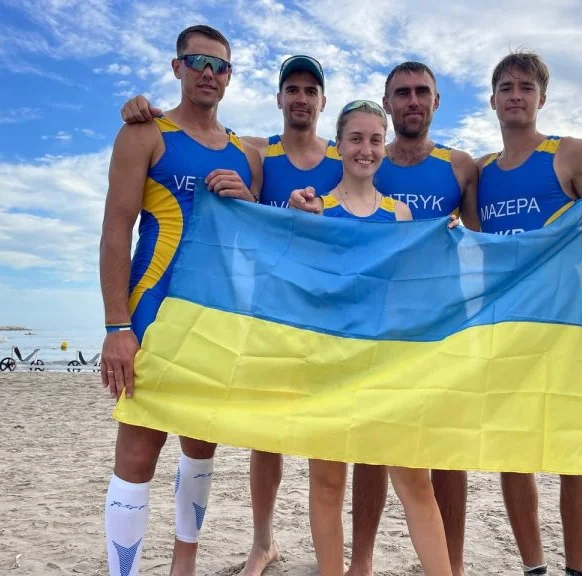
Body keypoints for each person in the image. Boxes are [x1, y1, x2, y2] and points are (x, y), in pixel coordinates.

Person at [120, 53, 340, 576]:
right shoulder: (256, 152)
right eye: (293, 89)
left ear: (322, 100)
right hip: (238, 312)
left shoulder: (336, 155)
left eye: (311, 90)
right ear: (279, 98)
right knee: (252, 439)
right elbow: (202, 144)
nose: (301, 98)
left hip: (307, 316)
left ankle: (346, 560)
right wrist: (143, 107)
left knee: (320, 446)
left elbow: (375, 191)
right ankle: (261, 543)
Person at [290, 61, 479, 576]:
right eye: (355, 139)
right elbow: (300, 285)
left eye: (375, 139)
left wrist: (447, 242)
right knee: (328, 482)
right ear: (338, 144)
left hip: (387, 361)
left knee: (414, 481)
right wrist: (296, 223)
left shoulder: (400, 215)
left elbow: (411, 285)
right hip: (329, 360)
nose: (366, 149)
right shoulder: (314, 209)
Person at [99, 25, 261, 576]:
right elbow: (116, 230)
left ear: (230, 76)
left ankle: (183, 564)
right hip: (153, 311)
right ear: (177, 67)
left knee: (200, 446)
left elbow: (265, 234)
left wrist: (249, 201)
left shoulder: (247, 155)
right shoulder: (145, 134)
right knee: (136, 456)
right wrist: (116, 326)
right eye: (197, 61)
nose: (208, 73)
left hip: (215, 319)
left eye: (219, 65)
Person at [476, 51, 582, 576]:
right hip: (505, 329)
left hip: (566, 330)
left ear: (541, 99)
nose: (516, 96)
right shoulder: (481, 173)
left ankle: (577, 571)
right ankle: (534, 568)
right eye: (506, 87)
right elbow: (467, 243)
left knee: (573, 455)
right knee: (513, 455)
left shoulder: (569, 154)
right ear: (493, 100)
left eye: (526, 87)